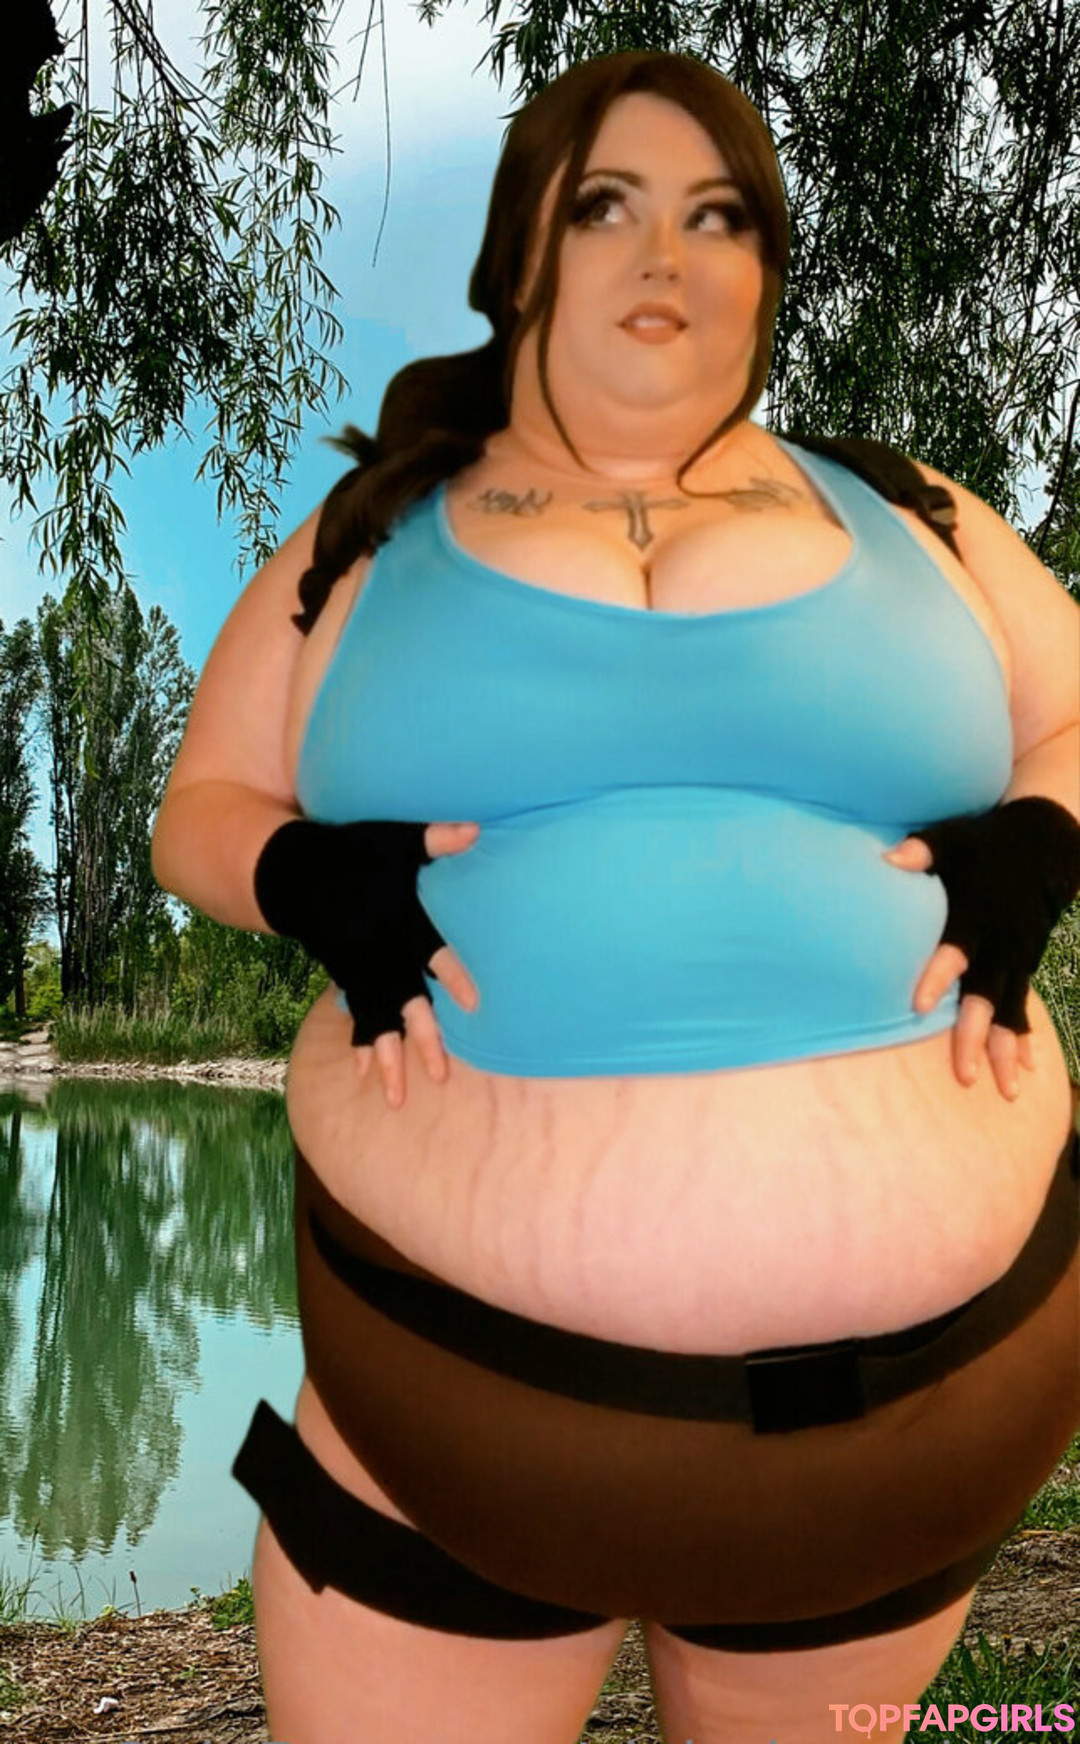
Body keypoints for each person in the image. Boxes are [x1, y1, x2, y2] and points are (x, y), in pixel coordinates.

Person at [151, 49, 1080, 1744]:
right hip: (444, 1433)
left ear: (766, 262)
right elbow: (198, 812)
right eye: (608, 206)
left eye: (715, 214)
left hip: (906, 1451)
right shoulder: (366, 538)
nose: (666, 255)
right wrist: (294, 874)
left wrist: (1043, 835)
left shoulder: (919, 514)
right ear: (524, 249)